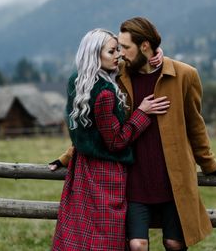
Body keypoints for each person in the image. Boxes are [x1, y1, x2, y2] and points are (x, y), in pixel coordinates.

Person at [51, 28, 170, 251]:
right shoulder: (105, 93)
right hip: (106, 174)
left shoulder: (76, 82)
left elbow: (85, 132)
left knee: (80, 234)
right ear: (95, 54)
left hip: (82, 169)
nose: (118, 55)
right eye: (112, 51)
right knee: (106, 238)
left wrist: (155, 52)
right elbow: (116, 141)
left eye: (119, 50)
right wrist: (142, 113)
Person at [117, 17, 216, 251]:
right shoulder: (118, 76)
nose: (120, 53)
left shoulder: (185, 75)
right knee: (136, 245)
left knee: (174, 243)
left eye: (125, 47)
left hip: (173, 179)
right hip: (134, 179)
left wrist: (210, 165)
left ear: (145, 46)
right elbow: (100, 122)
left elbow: (195, 125)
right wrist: (68, 156)